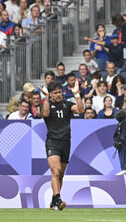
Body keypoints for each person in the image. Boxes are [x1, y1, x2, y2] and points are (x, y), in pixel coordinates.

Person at [42, 80, 84, 210]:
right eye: (55, 93)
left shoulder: (67, 104)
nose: (59, 94)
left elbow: (80, 110)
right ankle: (58, 199)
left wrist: (77, 95)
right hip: (52, 142)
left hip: (66, 142)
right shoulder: (47, 105)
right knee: (56, 171)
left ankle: (54, 201)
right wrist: (47, 99)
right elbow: (45, 114)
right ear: (50, 94)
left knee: (60, 175)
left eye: (60, 92)